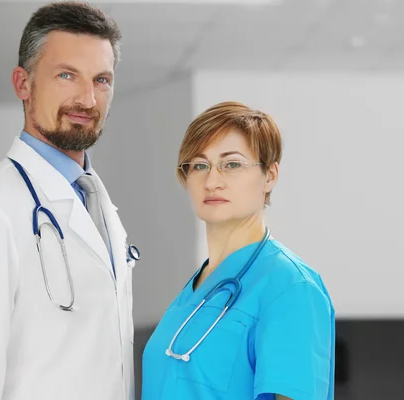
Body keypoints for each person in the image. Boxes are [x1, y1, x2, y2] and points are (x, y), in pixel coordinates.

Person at [0, 2, 135, 400]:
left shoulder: (96, 203)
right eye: (66, 75)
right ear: (23, 83)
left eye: (102, 80)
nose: (88, 99)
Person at [141, 101, 336, 399]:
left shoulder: (291, 288)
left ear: (269, 176)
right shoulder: (195, 291)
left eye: (231, 164)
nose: (212, 181)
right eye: (199, 165)